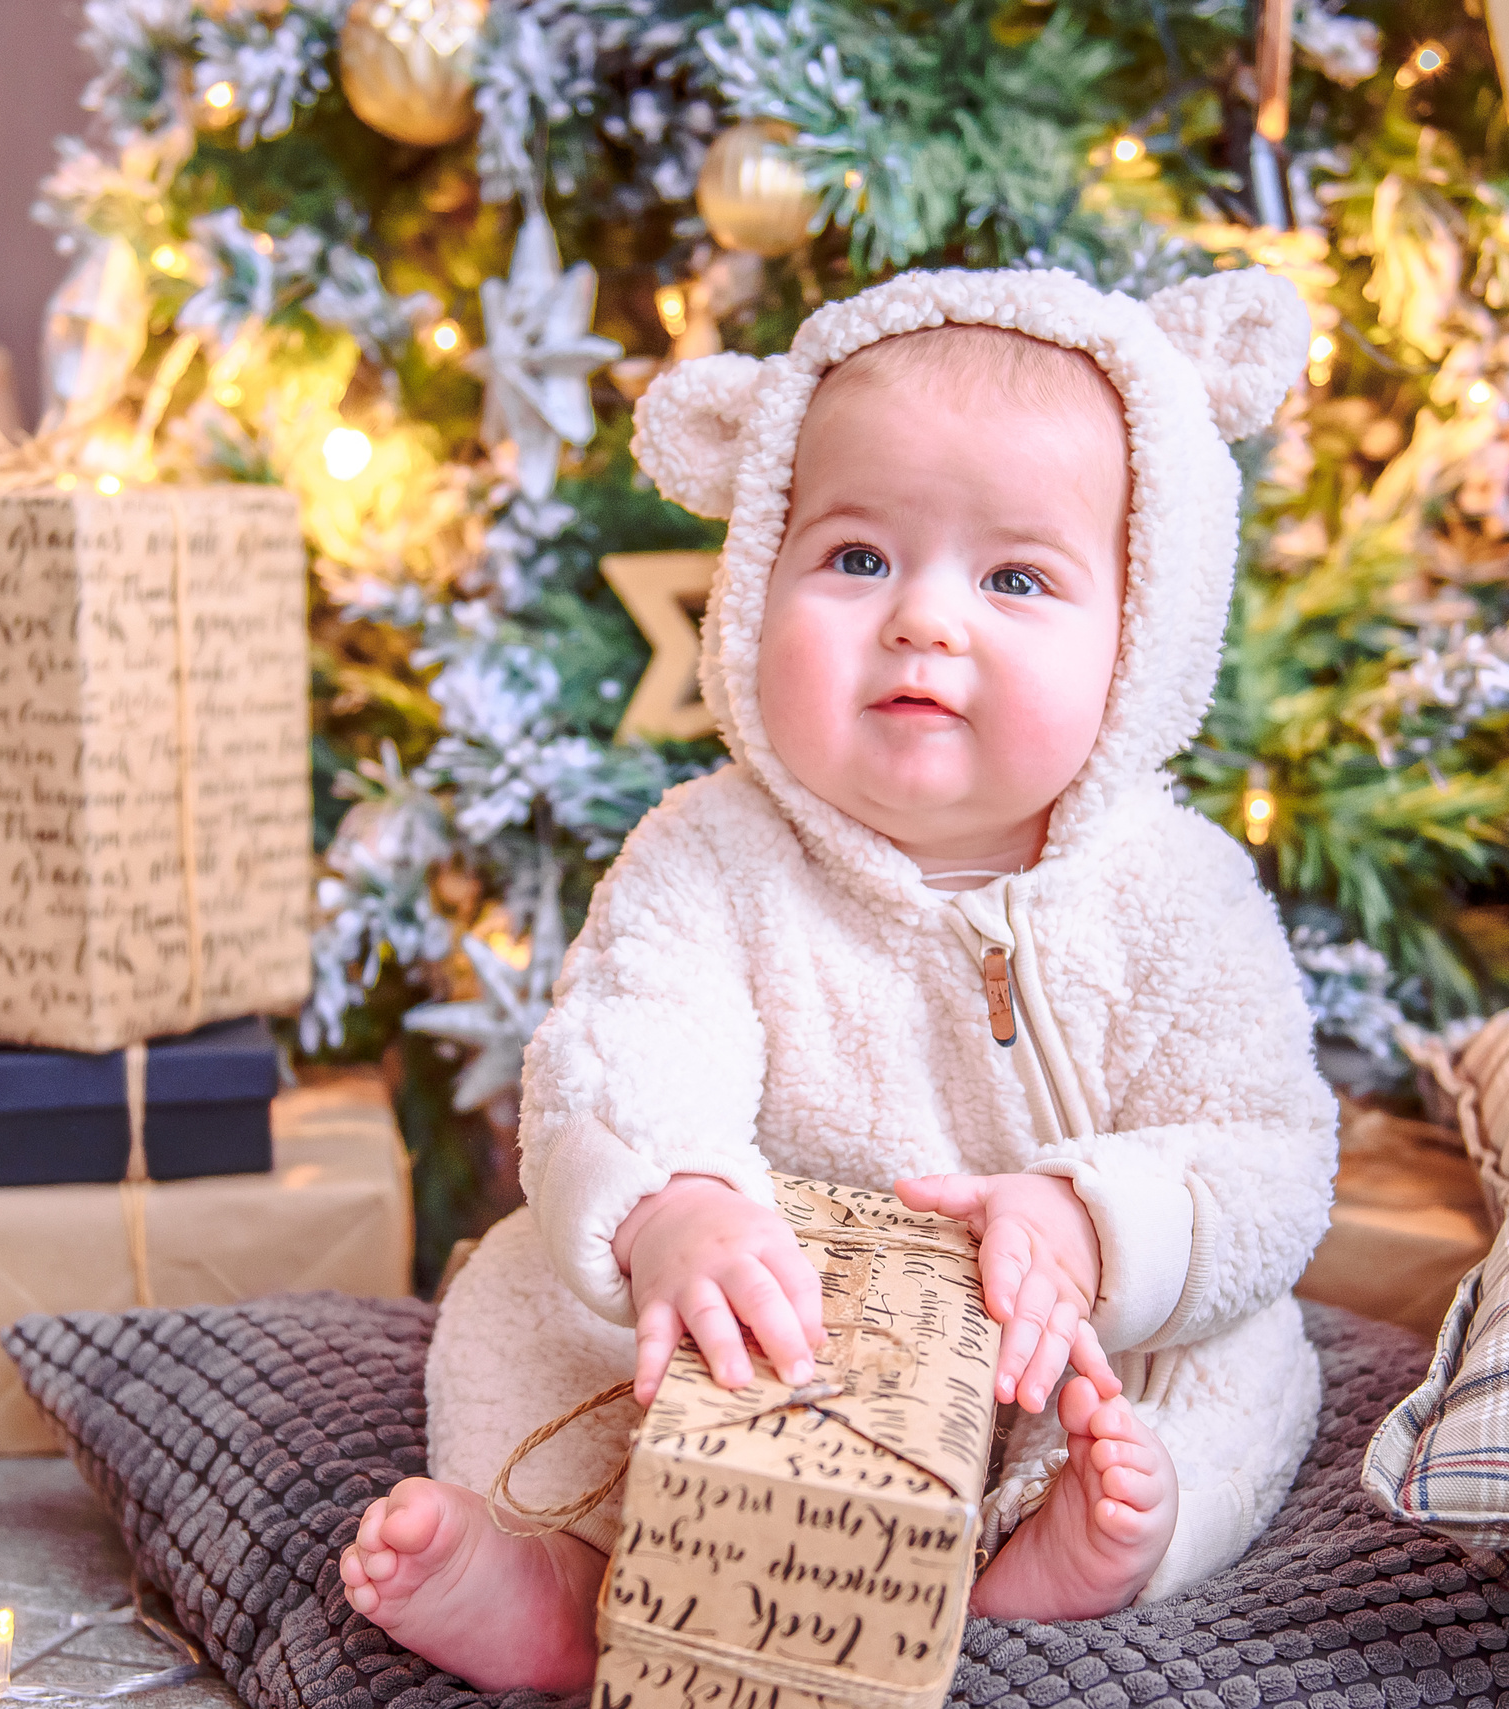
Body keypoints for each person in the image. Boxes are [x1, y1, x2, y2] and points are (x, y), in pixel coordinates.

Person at [337, 266, 1335, 1688]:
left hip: (1043, 1359)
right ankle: (574, 1570)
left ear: (1141, 631)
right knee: (529, 1303)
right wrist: (674, 1206)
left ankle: (1062, 1553)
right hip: (762, 1340)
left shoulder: (1177, 894)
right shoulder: (711, 852)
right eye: (859, 558)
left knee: (1241, 1362)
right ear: (756, 580)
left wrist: (1097, 1226)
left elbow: (1269, 1154)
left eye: (1015, 579)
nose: (925, 619)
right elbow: (624, 1048)